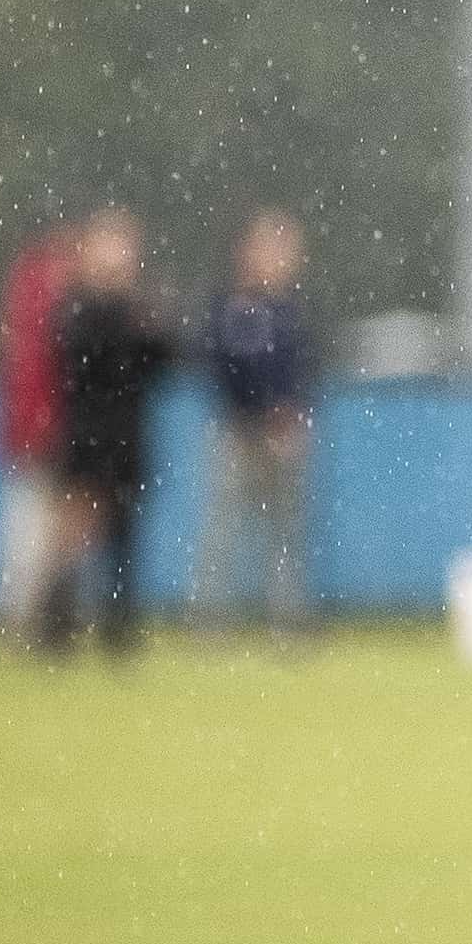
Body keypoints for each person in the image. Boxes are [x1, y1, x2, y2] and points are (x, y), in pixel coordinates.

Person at [39, 209, 174, 657]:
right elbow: (83, 355)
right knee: (75, 533)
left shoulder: (138, 304)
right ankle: (55, 628)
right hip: (86, 434)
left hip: (128, 435)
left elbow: (163, 354)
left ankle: (119, 630)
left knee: (124, 536)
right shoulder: (77, 303)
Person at [196, 209, 317, 632]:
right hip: (239, 430)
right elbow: (224, 366)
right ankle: (210, 617)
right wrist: (263, 409)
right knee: (223, 527)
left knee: (286, 531)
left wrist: (293, 413)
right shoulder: (233, 306)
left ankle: (287, 618)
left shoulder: (289, 311)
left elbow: (303, 370)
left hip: (284, 434)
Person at [0, 215, 78, 639]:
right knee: (35, 530)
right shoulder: (45, 284)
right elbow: (30, 369)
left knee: (39, 529)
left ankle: (35, 620)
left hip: (48, 429)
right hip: (47, 431)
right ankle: (29, 620)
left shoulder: (30, 281)